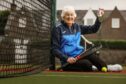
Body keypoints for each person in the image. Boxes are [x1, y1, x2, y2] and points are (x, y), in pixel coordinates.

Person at [52, 6, 107, 71]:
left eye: (71, 15)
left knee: (103, 65)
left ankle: (98, 68)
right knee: (87, 65)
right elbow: (54, 49)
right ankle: (91, 68)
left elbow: (94, 29)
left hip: (81, 55)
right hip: (68, 61)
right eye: (67, 15)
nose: (70, 17)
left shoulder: (77, 27)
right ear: (63, 16)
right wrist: (67, 58)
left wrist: (99, 17)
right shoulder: (57, 29)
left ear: (74, 16)